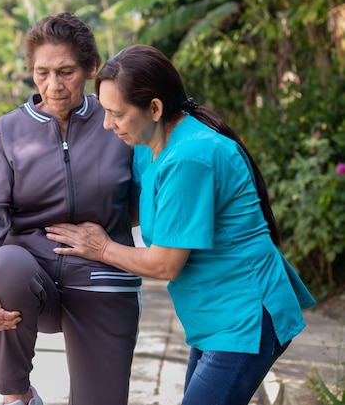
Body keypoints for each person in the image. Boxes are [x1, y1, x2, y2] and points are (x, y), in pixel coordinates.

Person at [45, 44, 316, 405]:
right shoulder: (150, 145)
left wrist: (103, 248)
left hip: (246, 316)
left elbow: (165, 263)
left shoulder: (191, 157)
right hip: (214, 317)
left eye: (117, 114)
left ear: (154, 108)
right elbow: (149, 208)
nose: (108, 124)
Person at [0, 13, 142, 405]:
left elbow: (149, 199)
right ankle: (17, 395)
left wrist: (110, 244)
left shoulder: (118, 123)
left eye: (66, 72)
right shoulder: (9, 129)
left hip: (101, 282)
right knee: (5, 264)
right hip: (30, 278)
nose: (53, 86)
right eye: (42, 73)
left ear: (91, 68)